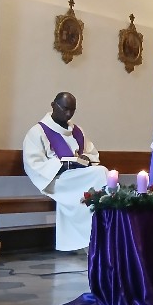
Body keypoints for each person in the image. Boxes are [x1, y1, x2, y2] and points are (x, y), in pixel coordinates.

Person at [22, 92, 109, 252]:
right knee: (100, 174)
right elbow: (33, 163)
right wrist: (61, 164)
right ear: (53, 105)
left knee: (101, 173)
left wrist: (85, 158)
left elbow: (92, 154)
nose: (68, 114)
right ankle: (89, 240)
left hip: (77, 176)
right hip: (56, 180)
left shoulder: (78, 131)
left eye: (72, 110)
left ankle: (97, 238)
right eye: (65, 109)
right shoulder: (38, 132)